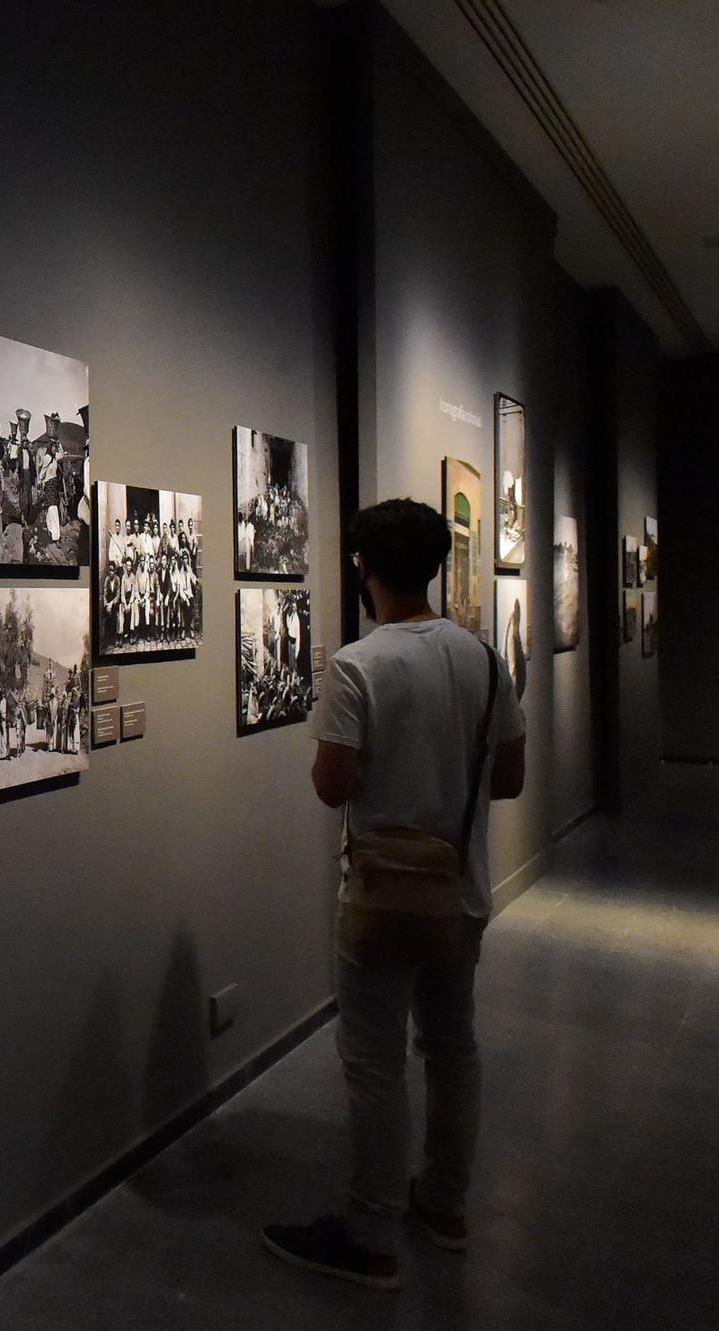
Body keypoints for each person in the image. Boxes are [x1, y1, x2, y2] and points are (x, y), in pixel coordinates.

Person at [263, 498, 526, 1293]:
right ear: (439, 565)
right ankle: (444, 1205)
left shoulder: (356, 665)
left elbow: (331, 785)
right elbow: (509, 778)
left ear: (362, 569)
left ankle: (371, 1229)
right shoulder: (481, 658)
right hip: (461, 890)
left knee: (374, 1062)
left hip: (382, 898)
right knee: (453, 1045)